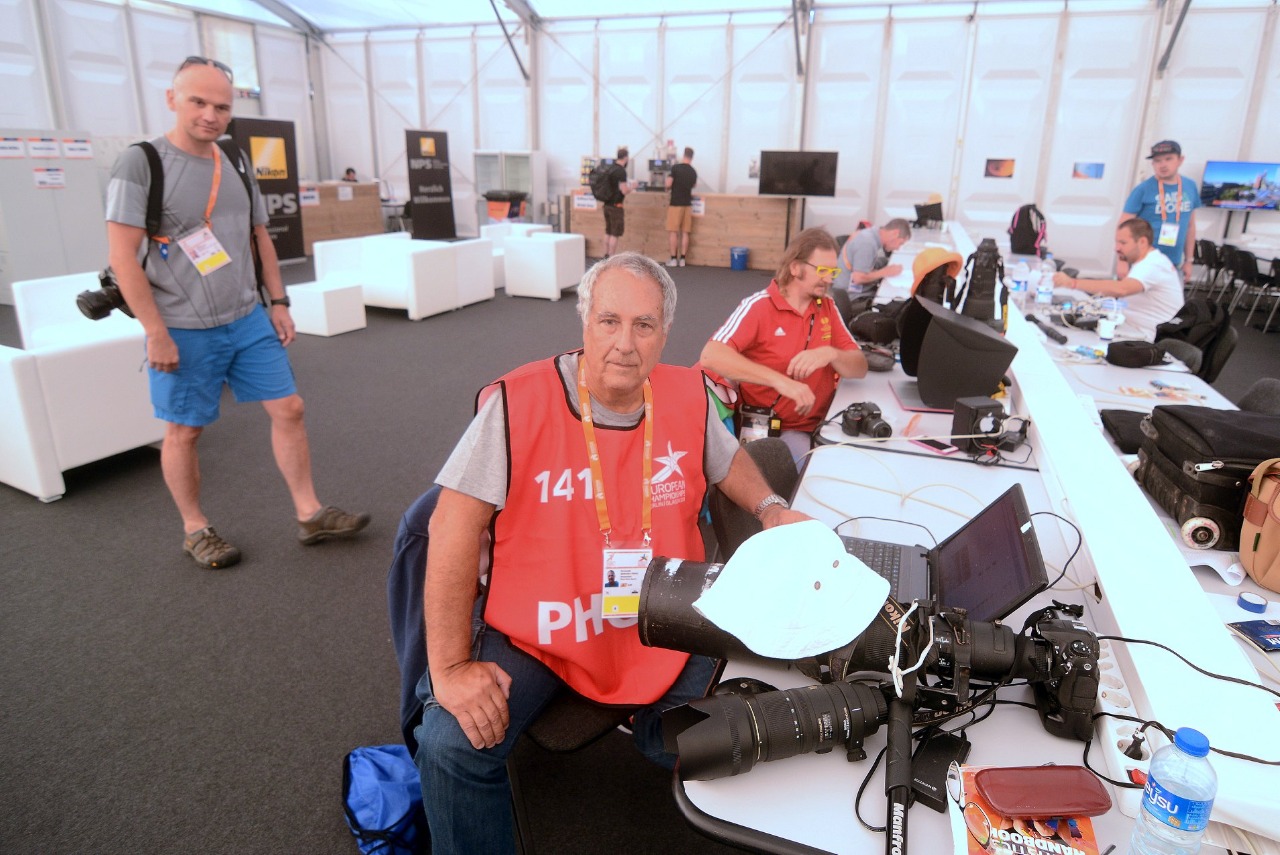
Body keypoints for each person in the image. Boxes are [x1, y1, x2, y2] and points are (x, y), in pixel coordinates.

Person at [414, 252, 808, 853]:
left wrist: (771, 506)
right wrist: (448, 669)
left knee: (742, 727)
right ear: (585, 323)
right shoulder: (518, 402)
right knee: (450, 744)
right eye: (609, 321)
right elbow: (450, 527)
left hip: (662, 618)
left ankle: (647, 727)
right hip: (542, 632)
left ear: (664, 334)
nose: (625, 343)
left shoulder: (686, 393)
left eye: (644, 325)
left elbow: (728, 462)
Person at [104, 57, 369, 569]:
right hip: (181, 326)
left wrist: (279, 301)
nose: (211, 115)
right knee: (185, 431)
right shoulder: (141, 162)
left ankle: (310, 513)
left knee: (289, 408)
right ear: (172, 99)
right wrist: (155, 332)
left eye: (222, 107)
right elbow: (123, 256)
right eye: (198, 102)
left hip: (246, 317)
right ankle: (195, 528)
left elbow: (258, 236)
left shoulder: (235, 159)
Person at [701, 228, 869, 462]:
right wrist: (781, 382)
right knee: (808, 475)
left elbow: (860, 367)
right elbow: (711, 355)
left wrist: (830, 353)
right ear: (795, 267)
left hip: (824, 425)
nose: (829, 279)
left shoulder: (827, 307)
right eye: (822, 270)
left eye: (833, 271)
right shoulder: (759, 306)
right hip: (775, 430)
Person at [1052, 218, 1183, 340]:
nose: (1117, 248)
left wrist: (1072, 283)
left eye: (1123, 243)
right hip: (1133, 329)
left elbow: (1121, 289)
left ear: (1142, 242)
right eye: (1117, 242)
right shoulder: (1147, 262)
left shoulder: (1153, 265)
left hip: (1150, 337)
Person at [1120, 140, 1199, 282]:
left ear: (1180, 160)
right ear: (1153, 164)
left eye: (1168, 159)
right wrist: (1122, 261)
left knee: (1172, 296)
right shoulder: (1143, 189)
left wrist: (1189, 260)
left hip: (1173, 263)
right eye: (1157, 161)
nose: (1163, 165)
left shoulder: (1190, 186)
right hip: (1143, 261)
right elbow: (1123, 227)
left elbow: (1190, 226)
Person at [832, 219, 912, 324]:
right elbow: (858, 278)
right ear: (895, 233)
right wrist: (886, 272)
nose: (897, 248)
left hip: (849, 289)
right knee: (897, 306)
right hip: (853, 296)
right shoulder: (867, 243)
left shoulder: (869, 234)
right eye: (900, 243)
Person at [665, 147, 697, 267]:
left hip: (675, 204)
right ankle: (682, 259)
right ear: (692, 157)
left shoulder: (676, 168)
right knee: (685, 232)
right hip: (687, 204)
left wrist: (668, 187)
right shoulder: (693, 172)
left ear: (683, 155)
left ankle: (673, 259)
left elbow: (668, 183)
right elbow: (694, 185)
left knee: (673, 232)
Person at [601, 147, 633, 258]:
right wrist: (632, 187)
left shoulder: (610, 168)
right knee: (614, 233)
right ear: (626, 158)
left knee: (608, 232)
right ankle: (611, 257)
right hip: (616, 206)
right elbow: (624, 190)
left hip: (606, 205)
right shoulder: (621, 171)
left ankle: (605, 256)